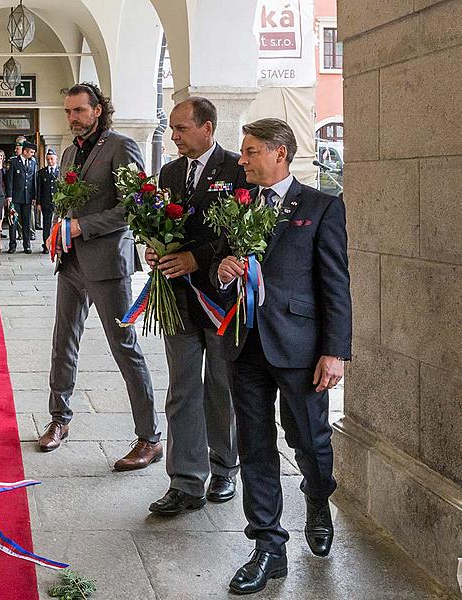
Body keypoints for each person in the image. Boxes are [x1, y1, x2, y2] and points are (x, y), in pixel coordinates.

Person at [214, 118, 351, 595]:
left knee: (310, 441)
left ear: (280, 154)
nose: (243, 159)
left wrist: (334, 352)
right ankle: (268, 545)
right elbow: (221, 268)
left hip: (300, 346)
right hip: (245, 344)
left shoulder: (321, 206)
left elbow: (335, 284)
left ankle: (317, 496)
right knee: (253, 444)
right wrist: (224, 269)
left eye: (251, 151)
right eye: (243, 151)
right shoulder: (235, 204)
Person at [38, 82, 162, 471]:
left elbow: (133, 206)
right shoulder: (71, 152)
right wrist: (58, 231)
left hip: (109, 265)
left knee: (124, 348)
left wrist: (81, 228)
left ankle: (149, 438)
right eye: (68, 112)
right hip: (71, 263)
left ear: (97, 110)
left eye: (79, 111)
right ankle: (60, 419)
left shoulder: (122, 146)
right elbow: (65, 202)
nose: (72, 118)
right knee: (64, 341)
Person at [144, 97, 249, 518]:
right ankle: (185, 480)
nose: (174, 137)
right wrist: (155, 250)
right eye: (172, 129)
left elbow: (240, 235)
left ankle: (224, 468)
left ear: (208, 128)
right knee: (183, 387)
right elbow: (159, 224)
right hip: (179, 300)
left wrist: (197, 259)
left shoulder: (237, 169)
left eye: (181, 129)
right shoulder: (169, 172)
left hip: (220, 298)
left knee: (222, 386)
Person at [7, 140, 38, 254]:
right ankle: (12, 245)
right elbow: (10, 180)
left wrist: (34, 196)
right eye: (31, 152)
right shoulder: (14, 161)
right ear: (25, 151)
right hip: (15, 197)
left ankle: (27, 245)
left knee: (26, 222)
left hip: (27, 198)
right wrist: (9, 196)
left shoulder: (33, 163)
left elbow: (33, 180)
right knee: (13, 222)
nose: (32, 154)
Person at [36, 147, 59, 254]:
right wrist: (38, 203)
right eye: (48, 159)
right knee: (46, 224)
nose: (50, 161)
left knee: (57, 225)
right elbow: (39, 189)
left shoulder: (60, 172)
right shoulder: (42, 172)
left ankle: (56, 244)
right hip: (45, 202)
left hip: (57, 203)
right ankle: (45, 245)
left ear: (56, 159)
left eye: (52, 159)